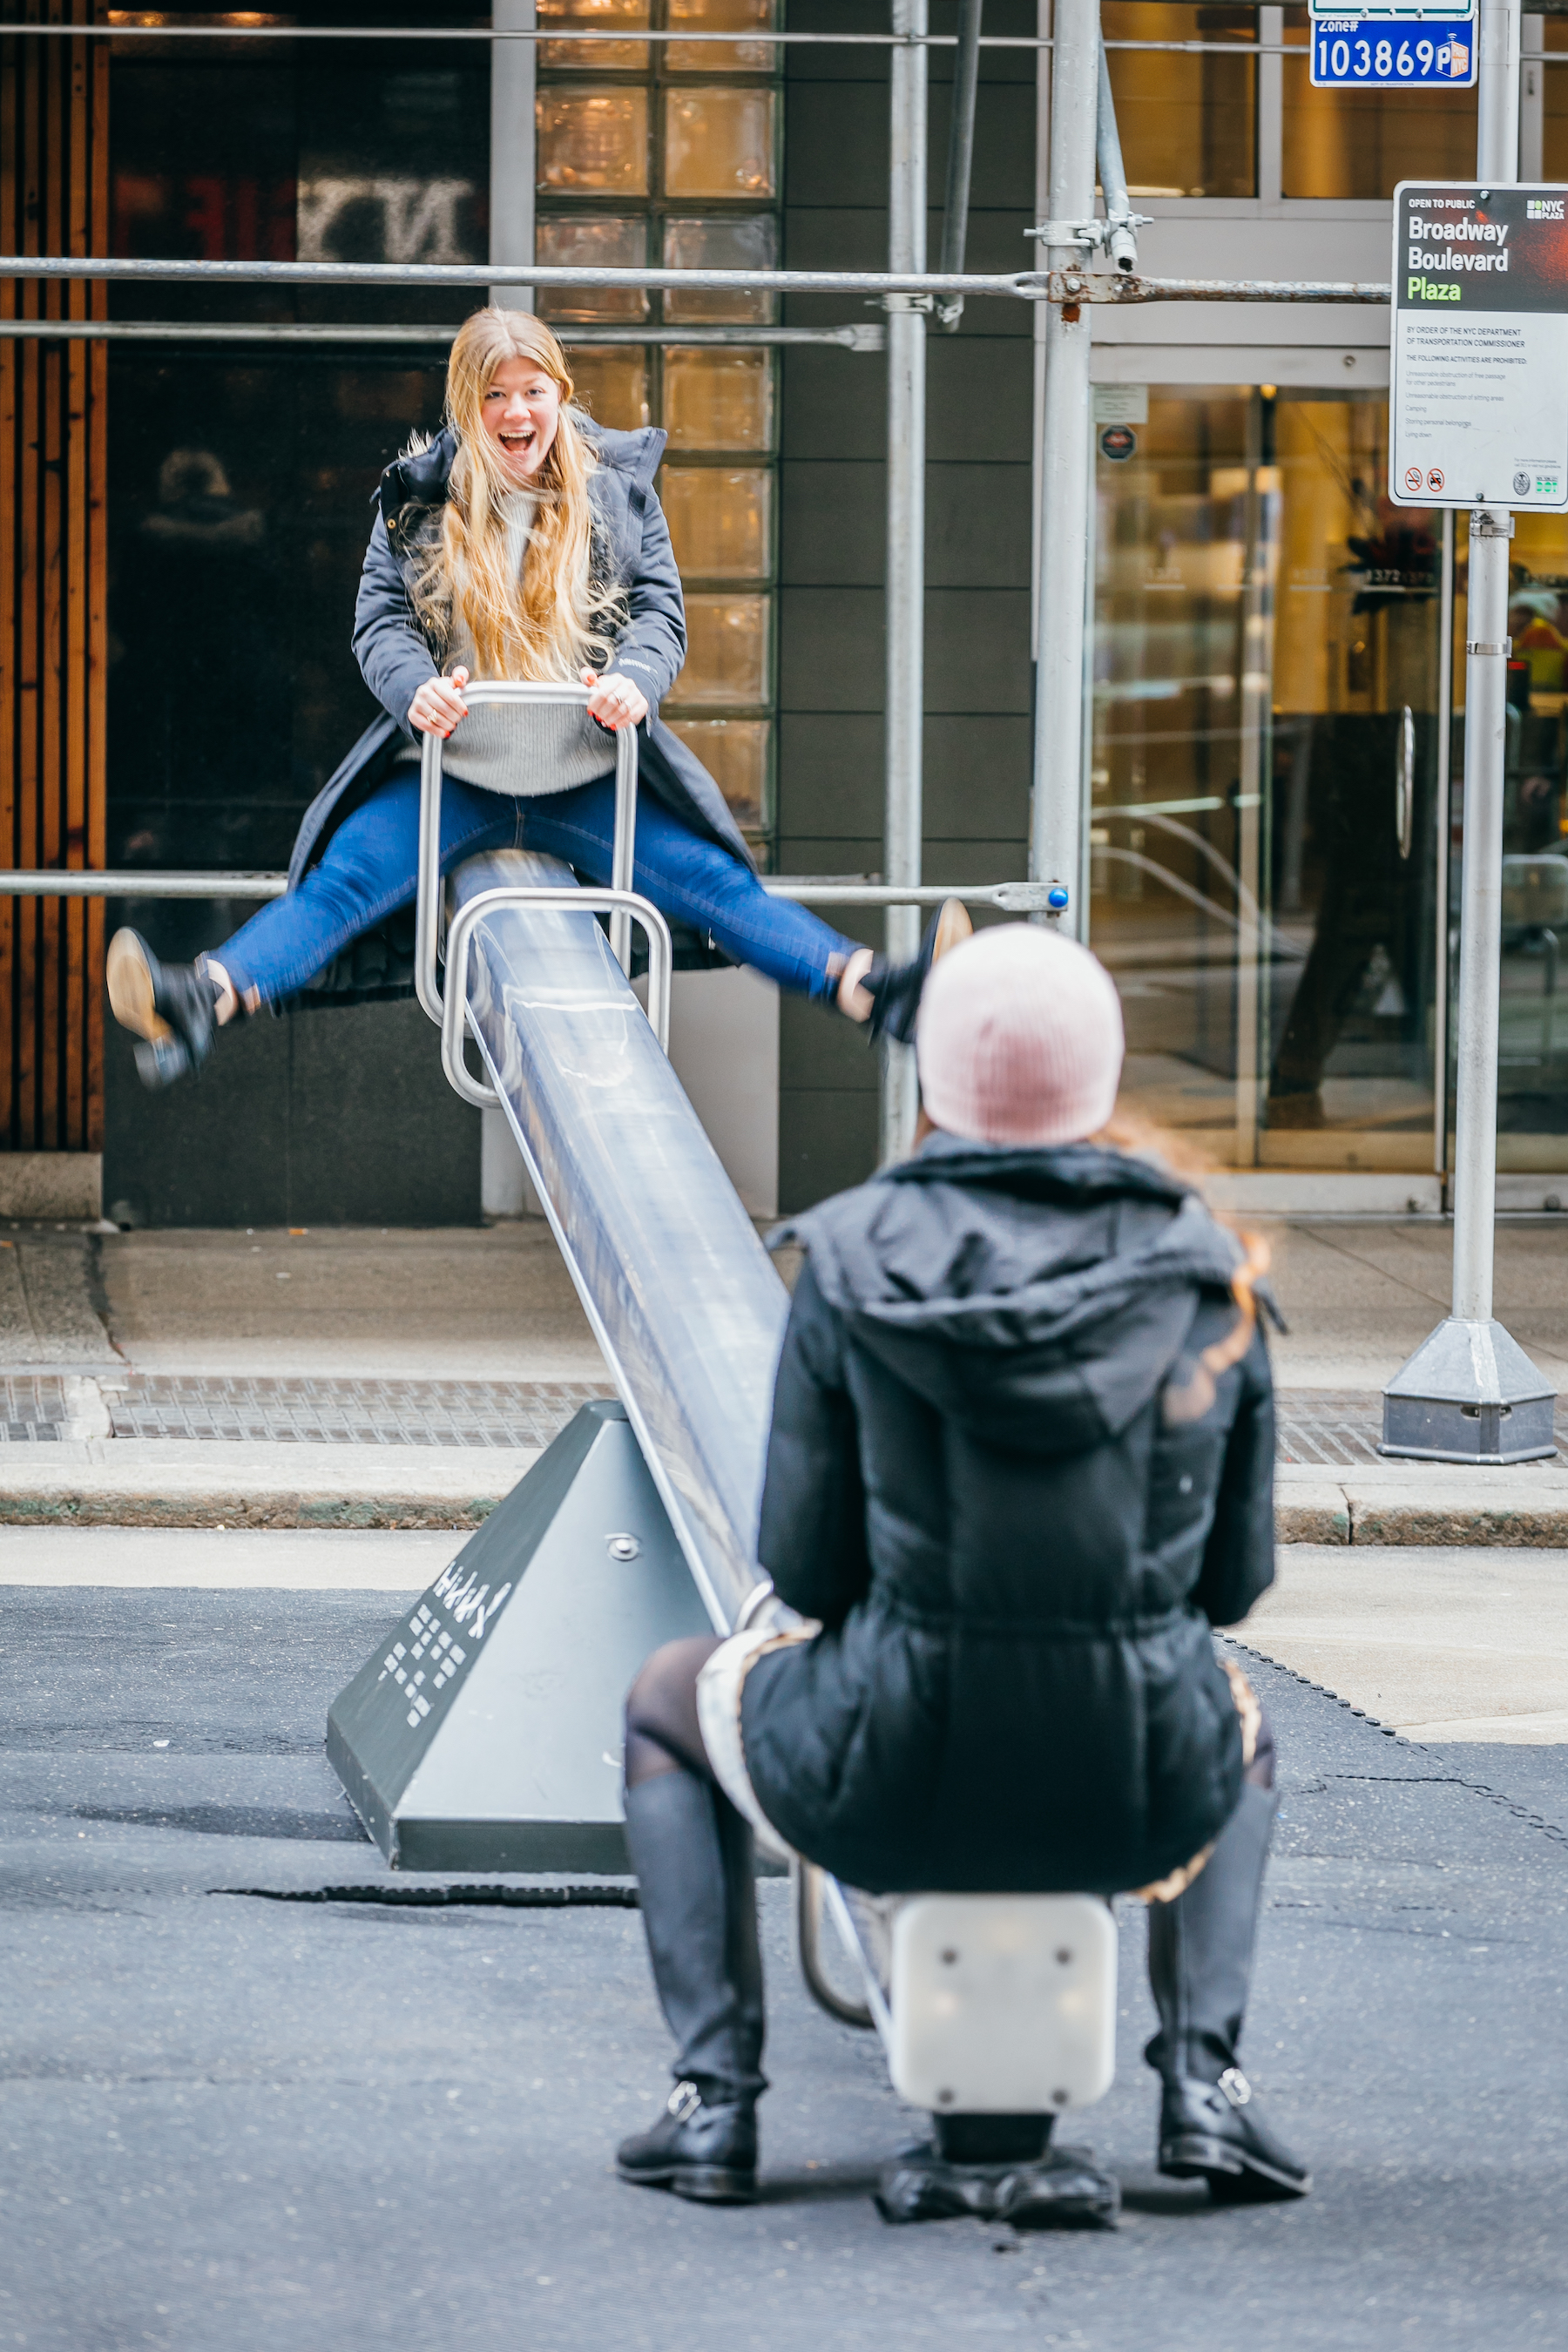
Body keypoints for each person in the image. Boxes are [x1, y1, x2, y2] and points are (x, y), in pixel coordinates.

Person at [614, 920, 1309, 2208]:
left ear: (933, 1077)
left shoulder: (851, 1259)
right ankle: (1207, 2087)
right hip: (1135, 1779)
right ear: (1102, 1077)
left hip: (884, 1766)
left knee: (665, 1694)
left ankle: (712, 2100)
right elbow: (1231, 1588)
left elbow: (807, 1575)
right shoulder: (1211, 1276)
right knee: (1247, 1725)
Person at [104, 308, 950, 1087]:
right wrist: (417, 691)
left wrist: (635, 682)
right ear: (466, 406)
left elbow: (659, 611)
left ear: (560, 395)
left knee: (714, 885)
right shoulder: (416, 500)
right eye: (495, 394)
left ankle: (875, 990)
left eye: (533, 392)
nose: (517, 413)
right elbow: (381, 623)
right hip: (455, 775)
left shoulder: (618, 495)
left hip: (579, 774)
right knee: (342, 882)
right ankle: (199, 1000)